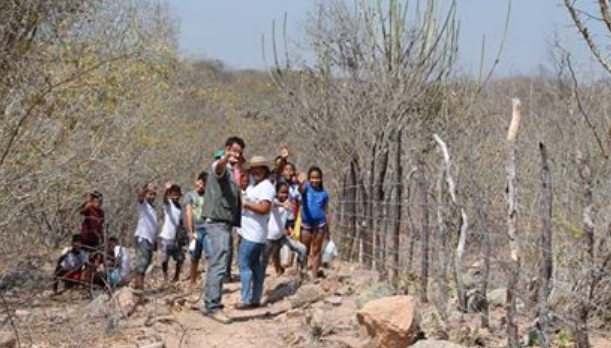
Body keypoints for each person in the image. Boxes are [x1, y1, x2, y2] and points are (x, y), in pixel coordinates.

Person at [201, 136, 245, 324]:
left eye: (239, 152)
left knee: (219, 262)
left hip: (224, 223)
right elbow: (218, 168)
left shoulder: (232, 172)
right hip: (217, 223)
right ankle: (213, 307)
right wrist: (226, 158)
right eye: (234, 150)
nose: (236, 154)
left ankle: (211, 303)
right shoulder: (219, 167)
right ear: (226, 149)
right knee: (219, 264)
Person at [236, 156, 275, 310]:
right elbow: (243, 168)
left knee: (244, 264)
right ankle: (255, 298)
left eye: (259, 168)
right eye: (253, 168)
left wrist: (245, 204)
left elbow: (264, 208)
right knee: (256, 266)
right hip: (252, 233)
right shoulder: (254, 185)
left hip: (253, 234)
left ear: (265, 170)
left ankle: (245, 299)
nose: (255, 171)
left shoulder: (266, 187)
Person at [264, 180, 308, 278]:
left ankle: (301, 273)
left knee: (302, 249)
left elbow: (289, 222)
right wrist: (282, 205)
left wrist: (291, 230)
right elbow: (272, 204)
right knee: (264, 261)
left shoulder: (289, 205)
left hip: (281, 237)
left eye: (286, 193)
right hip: (268, 239)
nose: (284, 195)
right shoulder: (272, 201)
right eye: (282, 192)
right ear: (276, 193)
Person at [298, 167, 330, 280]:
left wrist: (328, 229)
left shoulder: (324, 194)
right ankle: (301, 274)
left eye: (317, 178)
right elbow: (300, 189)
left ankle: (314, 276)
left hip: (320, 225)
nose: (315, 180)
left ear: (321, 179)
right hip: (306, 225)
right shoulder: (306, 188)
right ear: (309, 178)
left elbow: (326, 211)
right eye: (312, 178)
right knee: (303, 250)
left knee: (316, 250)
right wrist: (300, 182)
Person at [183, 171, 211, 288]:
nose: (201, 187)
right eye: (200, 183)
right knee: (195, 257)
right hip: (196, 230)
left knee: (210, 255)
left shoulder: (209, 195)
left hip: (208, 229)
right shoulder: (189, 195)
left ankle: (210, 282)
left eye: (204, 185)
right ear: (196, 181)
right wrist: (191, 231)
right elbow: (189, 213)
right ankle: (192, 281)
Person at [133, 182, 158, 292]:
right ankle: (138, 288)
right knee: (142, 263)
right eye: (149, 193)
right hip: (142, 237)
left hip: (149, 239)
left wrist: (155, 240)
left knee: (147, 262)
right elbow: (140, 197)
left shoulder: (153, 209)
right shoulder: (143, 205)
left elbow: (154, 226)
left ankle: (139, 286)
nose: (151, 196)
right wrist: (146, 188)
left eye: (153, 194)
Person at [159, 182, 184, 283]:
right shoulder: (168, 205)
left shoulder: (180, 208)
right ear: (170, 195)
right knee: (164, 259)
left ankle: (176, 277)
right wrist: (166, 190)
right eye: (173, 194)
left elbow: (181, 223)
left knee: (180, 259)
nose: (175, 196)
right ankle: (165, 276)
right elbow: (164, 199)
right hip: (166, 237)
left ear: (180, 195)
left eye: (177, 194)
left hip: (176, 239)